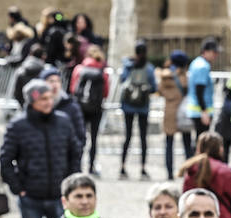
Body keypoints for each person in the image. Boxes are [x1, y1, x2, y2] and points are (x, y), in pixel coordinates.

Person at [1, 80, 82, 218]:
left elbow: (75, 152)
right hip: (31, 196)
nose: (48, 102)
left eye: (50, 97)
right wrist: (18, 188)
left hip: (59, 195)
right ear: (32, 101)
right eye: (43, 99)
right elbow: (5, 160)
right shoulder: (18, 126)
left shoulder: (63, 121)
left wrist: (71, 183)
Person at [180, 131, 231, 218]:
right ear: (220, 149)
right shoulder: (224, 171)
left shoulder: (191, 169)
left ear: (198, 148)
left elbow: (185, 196)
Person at [117, 41, 157, 179]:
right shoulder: (149, 68)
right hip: (143, 106)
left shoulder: (128, 66)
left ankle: (122, 167)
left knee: (127, 137)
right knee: (143, 138)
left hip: (128, 105)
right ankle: (143, 169)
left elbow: (122, 81)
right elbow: (154, 87)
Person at [69, 45, 108, 175]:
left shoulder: (79, 69)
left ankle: (78, 164)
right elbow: (106, 92)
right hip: (96, 108)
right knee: (94, 138)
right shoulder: (103, 71)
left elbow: (73, 88)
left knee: (80, 136)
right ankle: (91, 166)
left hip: (80, 107)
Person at [159, 51, 191, 177]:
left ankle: (169, 173)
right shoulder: (184, 77)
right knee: (187, 144)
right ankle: (189, 171)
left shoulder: (165, 76)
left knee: (169, 143)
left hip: (170, 111)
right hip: (183, 111)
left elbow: (160, 90)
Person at [185, 38, 220, 138]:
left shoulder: (196, 63)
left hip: (196, 110)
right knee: (202, 141)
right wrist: (204, 111)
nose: (216, 55)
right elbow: (199, 90)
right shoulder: (203, 66)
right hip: (200, 111)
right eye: (214, 52)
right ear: (205, 51)